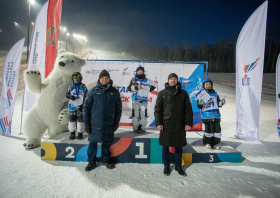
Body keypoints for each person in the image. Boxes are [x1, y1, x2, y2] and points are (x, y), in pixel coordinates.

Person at [154, 73, 193, 177]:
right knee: (165, 146)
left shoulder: (183, 93)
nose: (172, 80)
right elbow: (157, 110)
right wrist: (158, 123)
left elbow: (188, 110)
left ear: (177, 81)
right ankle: (166, 166)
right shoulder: (162, 93)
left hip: (179, 124)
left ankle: (178, 166)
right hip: (166, 125)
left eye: (174, 79)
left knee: (179, 147)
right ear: (168, 80)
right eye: (171, 79)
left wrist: (188, 123)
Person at [83, 70, 122, 171]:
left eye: (106, 78)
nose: (104, 80)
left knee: (107, 143)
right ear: (99, 79)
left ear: (109, 79)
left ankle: (105, 160)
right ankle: (91, 162)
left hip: (108, 123)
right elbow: (86, 107)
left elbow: (118, 108)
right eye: (102, 78)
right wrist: (86, 122)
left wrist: (116, 122)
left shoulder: (114, 92)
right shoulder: (93, 91)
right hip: (94, 123)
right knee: (92, 144)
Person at [197, 78, 225, 150]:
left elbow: (217, 103)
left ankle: (216, 143)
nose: (208, 85)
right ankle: (207, 142)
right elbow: (199, 105)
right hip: (207, 115)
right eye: (206, 84)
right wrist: (201, 103)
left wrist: (221, 103)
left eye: (209, 84)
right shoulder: (201, 94)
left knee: (217, 130)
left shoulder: (215, 94)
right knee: (208, 130)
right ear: (204, 85)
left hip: (216, 115)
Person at [128, 65, 158, 133]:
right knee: (135, 115)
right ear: (136, 72)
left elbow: (150, 89)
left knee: (143, 116)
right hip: (135, 100)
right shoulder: (133, 80)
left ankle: (142, 128)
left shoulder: (147, 80)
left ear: (143, 72)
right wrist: (136, 88)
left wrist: (155, 84)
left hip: (143, 101)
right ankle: (135, 128)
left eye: (141, 71)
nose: (140, 73)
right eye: (139, 71)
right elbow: (129, 88)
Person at [65, 72, 88, 140]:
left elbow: (86, 96)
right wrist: (70, 96)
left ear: (80, 78)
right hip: (72, 106)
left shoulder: (83, 86)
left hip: (80, 106)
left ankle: (80, 133)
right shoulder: (71, 86)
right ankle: (72, 133)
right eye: (74, 78)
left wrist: (83, 104)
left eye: (76, 78)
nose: (75, 79)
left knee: (80, 120)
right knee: (72, 120)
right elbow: (66, 94)